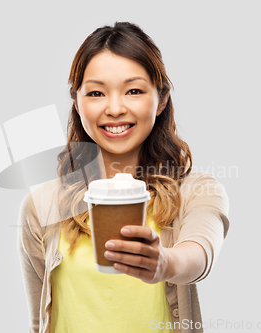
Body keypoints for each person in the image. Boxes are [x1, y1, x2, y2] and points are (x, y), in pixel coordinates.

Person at [17, 21, 230, 333]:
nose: (114, 108)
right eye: (96, 93)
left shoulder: (197, 191)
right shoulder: (42, 205)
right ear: (77, 102)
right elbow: (39, 320)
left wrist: (164, 263)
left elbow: (199, 255)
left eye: (133, 90)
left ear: (162, 99)